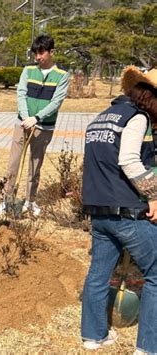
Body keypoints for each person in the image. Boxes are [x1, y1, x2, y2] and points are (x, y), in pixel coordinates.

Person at [80, 66, 157, 353]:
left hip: (99, 212)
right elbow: (129, 161)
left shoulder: (100, 119)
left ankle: (93, 336)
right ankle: (148, 347)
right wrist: (154, 196)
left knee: (99, 273)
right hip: (127, 212)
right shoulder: (137, 118)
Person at [0, 34, 70, 217]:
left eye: (41, 53)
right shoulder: (28, 71)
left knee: (34, 166)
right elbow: (21, 94)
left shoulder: (62, 75)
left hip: (44, 128)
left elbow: (56, 102)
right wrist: (26, 118)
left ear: (51, 52)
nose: (38, 57)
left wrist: (37, 118)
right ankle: (7, 201)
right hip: (22, 124)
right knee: (13, 164)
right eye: (35, 53)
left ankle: (30, 201)